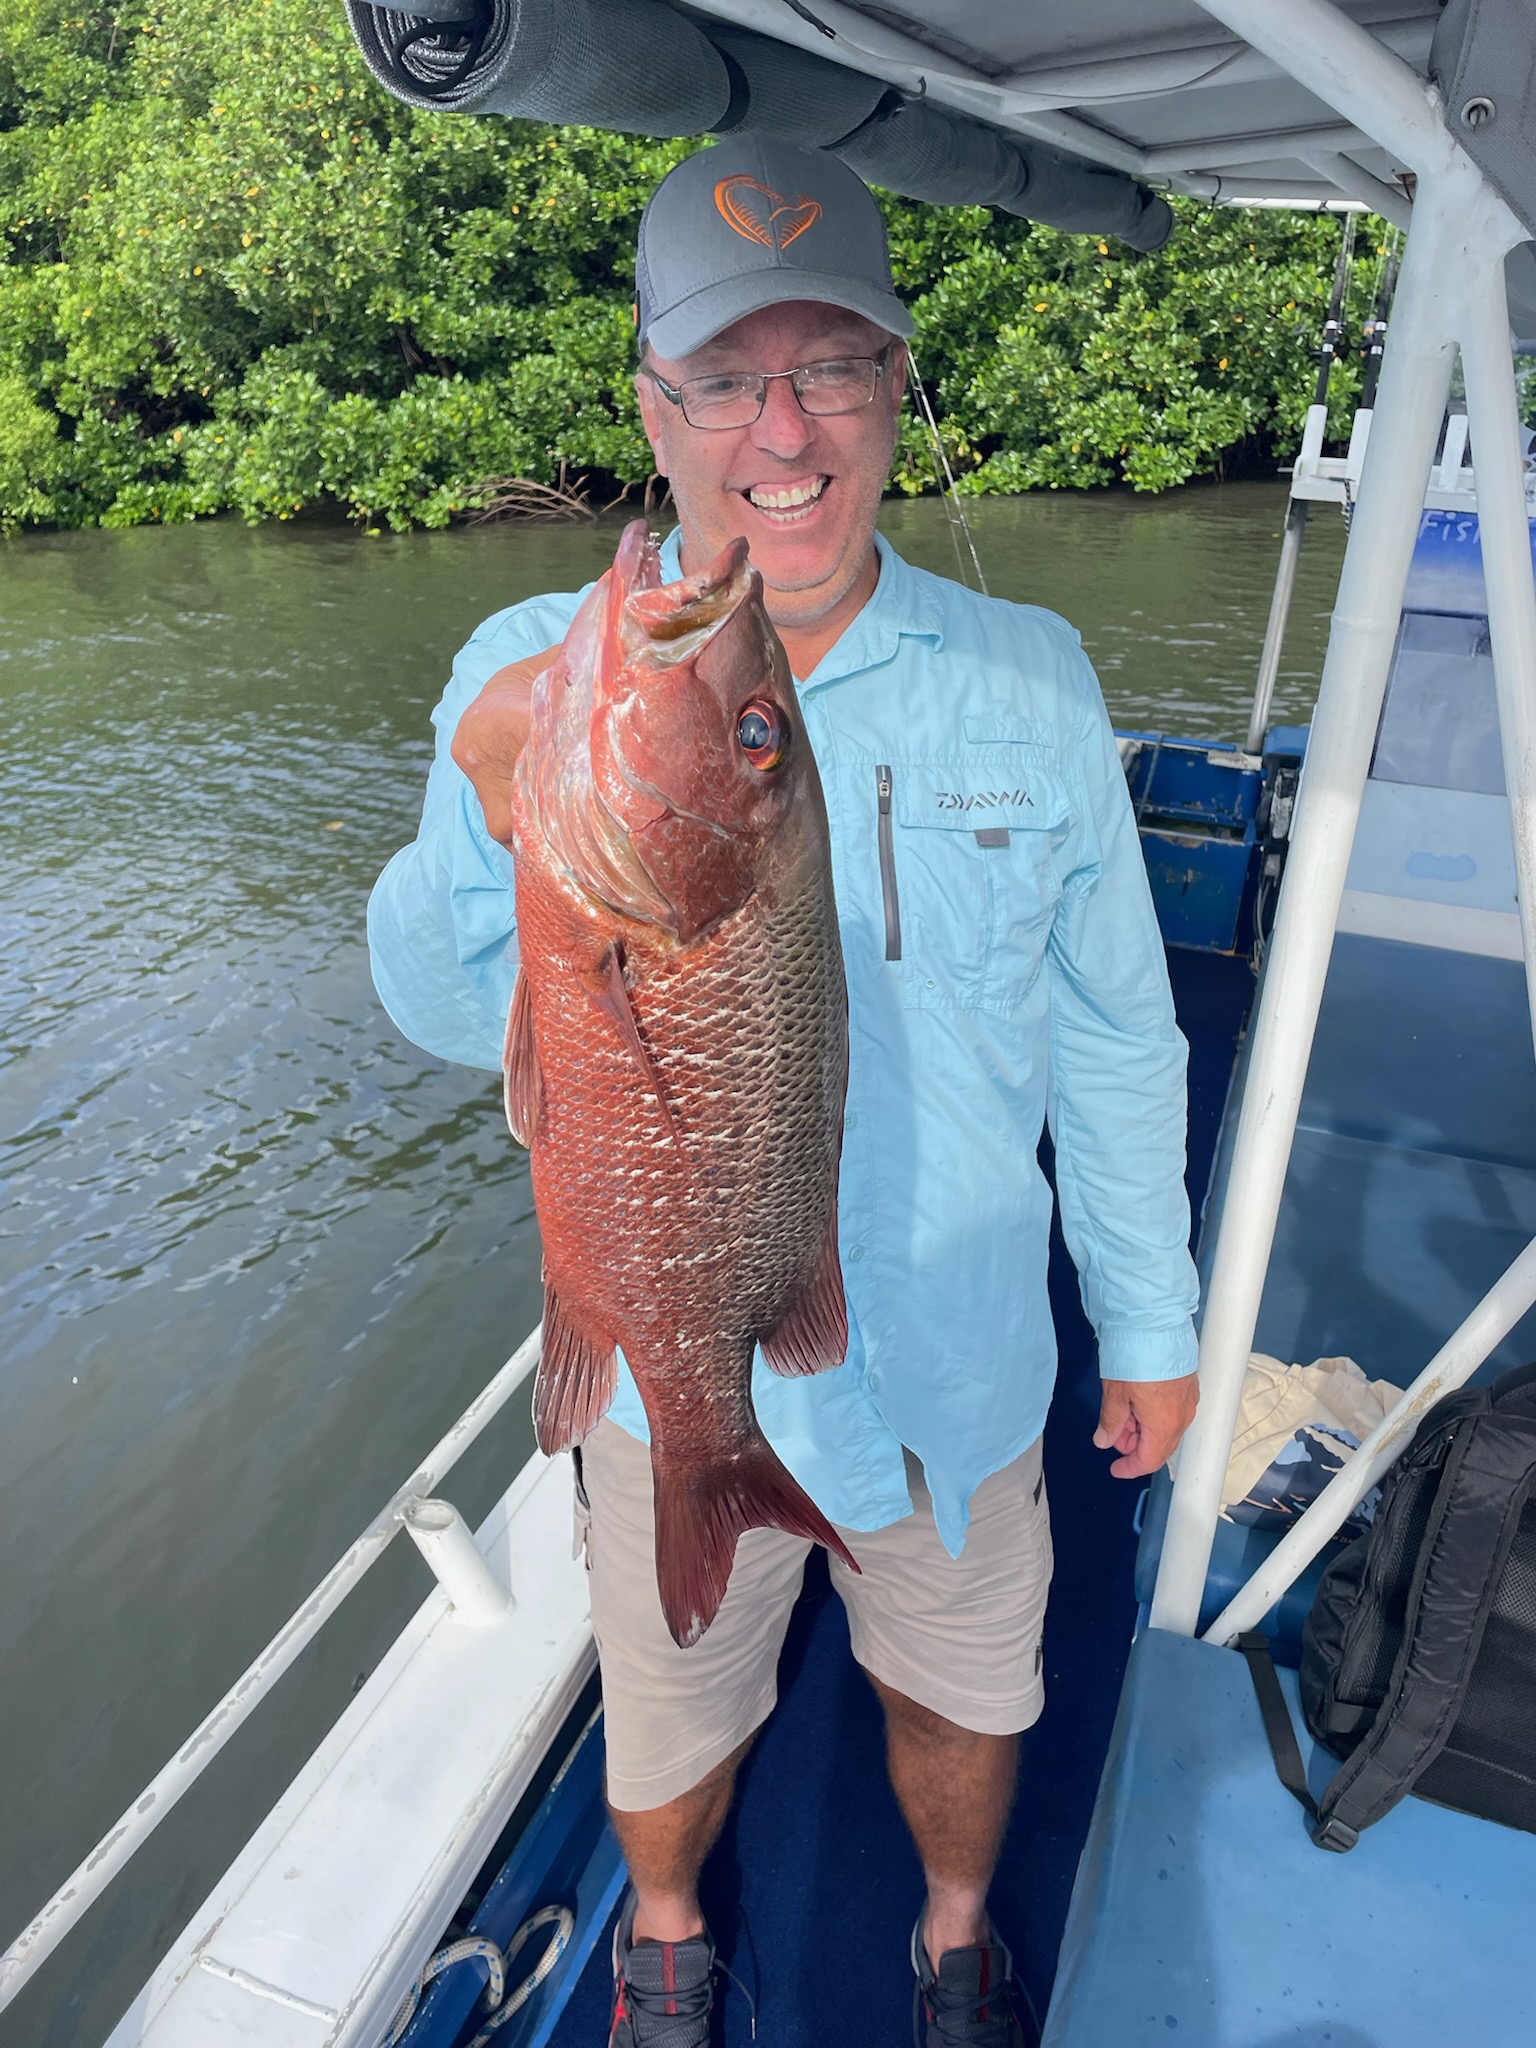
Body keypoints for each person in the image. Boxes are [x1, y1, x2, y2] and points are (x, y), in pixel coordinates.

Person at [368, 133, 1200, 2048]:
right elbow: (427, 1006)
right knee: (668, 1707)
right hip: (666, 1357)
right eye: (731, 378)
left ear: (898, 389)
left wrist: (1148, 1324)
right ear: (653, 410)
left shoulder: (1032, 678)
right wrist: (491, 812)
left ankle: (958, 1931)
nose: (786, 430)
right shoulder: (526, 674)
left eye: (834, 366)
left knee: (971, 1694)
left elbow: (1115, 1033)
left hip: (966, 1361)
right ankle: (663, 1926)